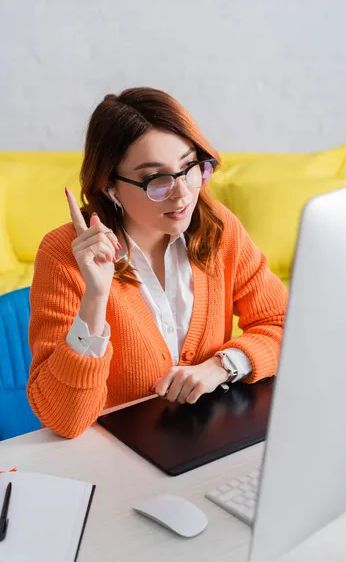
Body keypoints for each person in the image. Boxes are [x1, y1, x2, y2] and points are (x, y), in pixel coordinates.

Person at [27, 87, 288, 439]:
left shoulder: (217, 229)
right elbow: (65, 421)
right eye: (156, 179)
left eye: (190, 167)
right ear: (109, 186)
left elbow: (285, 326)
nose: (182, 193)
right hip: (113, 461)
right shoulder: (64, 254)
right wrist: (96, 296)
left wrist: (223, 365)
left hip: (202, 445)